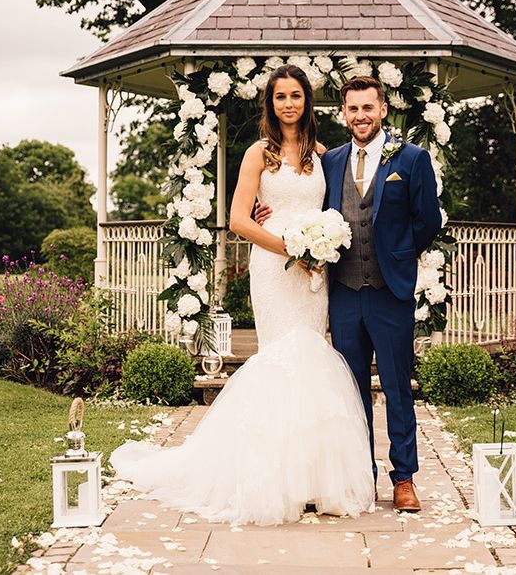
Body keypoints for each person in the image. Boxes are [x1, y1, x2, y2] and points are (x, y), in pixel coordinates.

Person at [110, 65, 375, 526]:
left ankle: (313, 478)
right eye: (280, 97)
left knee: (313, 358)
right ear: (269, 104)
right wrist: (293, 246)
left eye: (296, 95)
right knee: (282, 359)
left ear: (307, 102)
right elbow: (238, 220)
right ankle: (274, 480)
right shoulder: (258, 154)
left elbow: (335, 208)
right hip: (275, 269)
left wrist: (321, 245)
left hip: (313, 274)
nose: (288, 104)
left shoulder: (322, 154)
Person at [256, 75, 442, 511]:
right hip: (341, 292)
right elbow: (294, 199)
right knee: (350, 390)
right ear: (343, 114)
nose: (360, 116)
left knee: (397, 387)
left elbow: (428, 219)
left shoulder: (411, 158)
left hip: (388, 290)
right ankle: (361, 477)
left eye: (368, 108)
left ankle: (404, 479)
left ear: (383, 110)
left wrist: (398, 253)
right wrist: (256, 212)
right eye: (352, 109)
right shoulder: (330, 159)